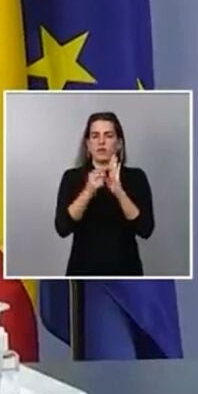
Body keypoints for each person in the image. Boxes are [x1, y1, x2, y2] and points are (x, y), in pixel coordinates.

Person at [54, 111, 154, 276]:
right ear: (88, 144)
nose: (101, 142)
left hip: (126, 273)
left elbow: (145, 229)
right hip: (83, 273)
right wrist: (89, 190)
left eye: (108, 136)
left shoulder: (136, 177)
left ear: (119, 143)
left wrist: (118, 191)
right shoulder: (72, 177)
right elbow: (62, 228)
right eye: (95, 136)